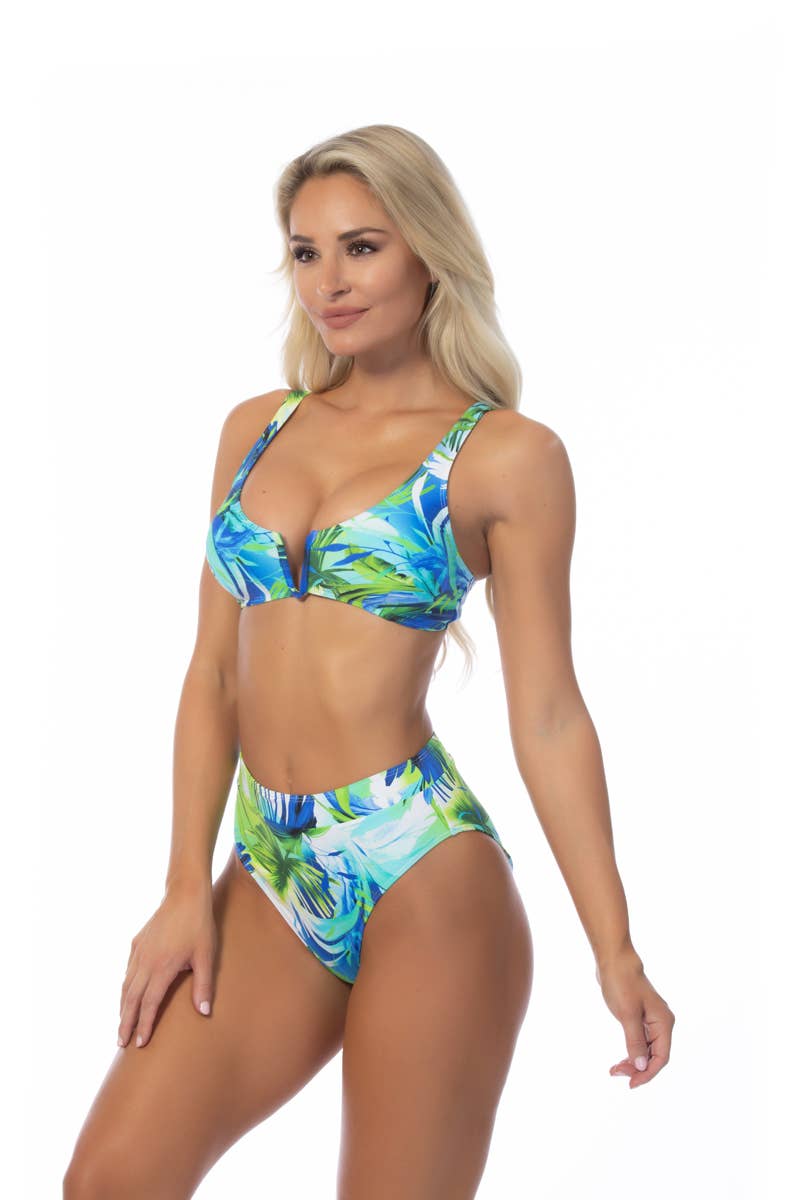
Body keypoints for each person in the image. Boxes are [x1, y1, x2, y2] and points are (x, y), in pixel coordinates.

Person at [64, 123, 674, 1200]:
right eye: (305, 253)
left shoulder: (505, 456)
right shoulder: (256, 429)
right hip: (271, 865)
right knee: (109, 1182)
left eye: (361, 247)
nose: (328, 283)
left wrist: (614, 948)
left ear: (427, 251)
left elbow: (547, 714)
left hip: (423, 870)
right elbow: (213, 676)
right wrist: (182, 886)